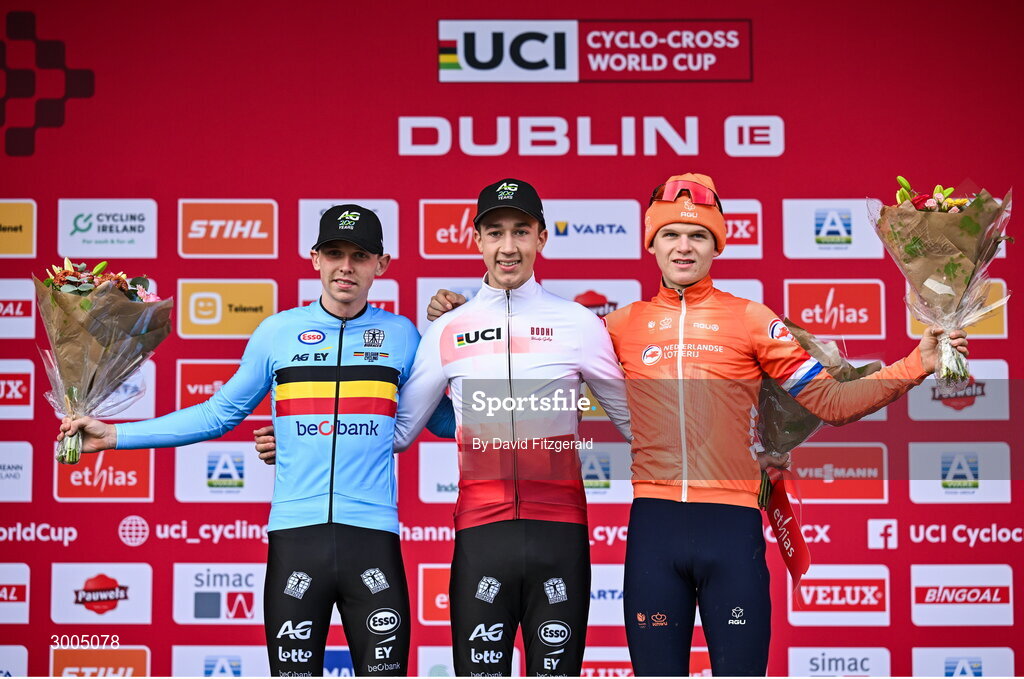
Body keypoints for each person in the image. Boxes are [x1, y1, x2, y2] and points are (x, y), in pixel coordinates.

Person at [426, 173, 969, 677]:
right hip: (654, 532)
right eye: (670, 234)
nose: (683, 247)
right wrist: (458, 309)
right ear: (652, 245)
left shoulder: (753, 318)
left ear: (718, 245)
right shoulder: (613, 327)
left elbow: (830, 401)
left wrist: (916, 363)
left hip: (731, 529)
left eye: (697, 236)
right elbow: (524, 354)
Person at [58, 205, 455, 678]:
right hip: (295, 537)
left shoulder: (404, 336)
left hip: (372, 538)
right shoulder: (277, 333)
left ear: (381, 265)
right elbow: (218, 413)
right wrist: (117, 435)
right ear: (315, 258)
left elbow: (443, 422)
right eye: (334, 253)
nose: (345, 266)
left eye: (359, 255)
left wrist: (466, 351)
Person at [259, 178, 633, 676]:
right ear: (476, 239)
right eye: (494, 232)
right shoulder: (446, 329)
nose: (507, 246)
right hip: (480, 538)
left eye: (520, 231)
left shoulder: (580, 324)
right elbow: (393, 431)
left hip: (560, 536)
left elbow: (637, 424)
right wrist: (294, 434)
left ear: (541, 238)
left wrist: (743, 443)